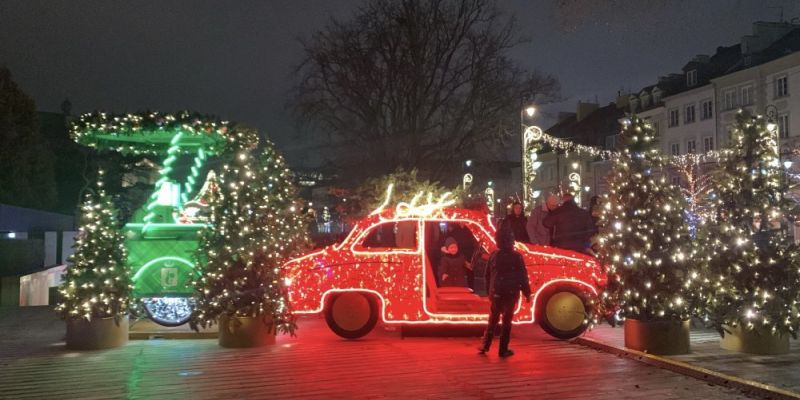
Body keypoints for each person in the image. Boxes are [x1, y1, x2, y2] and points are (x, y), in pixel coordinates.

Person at [479, 224, 531, 357]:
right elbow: (522, 276)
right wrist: (527, 292)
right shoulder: (516, 256)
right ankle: (503, 349)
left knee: (493, 319)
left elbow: (487, 275)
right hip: (511, 292)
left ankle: (485, 345)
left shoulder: (494, 255)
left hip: (496, 291)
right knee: (507, 321)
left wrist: (489, 291)